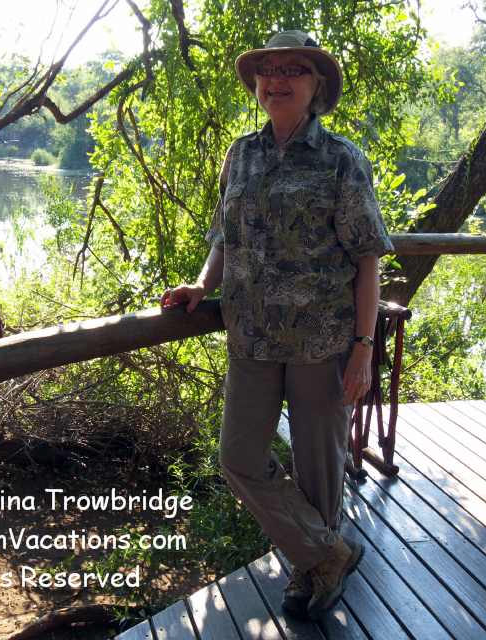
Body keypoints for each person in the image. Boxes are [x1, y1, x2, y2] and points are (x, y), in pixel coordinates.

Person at [160, 30, 393, 620]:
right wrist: (201, 285)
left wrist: (363, 348)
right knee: (238, 457)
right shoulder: (240, 154)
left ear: (317, 86)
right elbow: (224, 237)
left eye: (293, 69)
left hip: (323, 342)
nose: (277, 79)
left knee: (319, 469)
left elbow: (368, 259)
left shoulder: (342, 159)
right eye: (268, 69)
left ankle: (310, 567)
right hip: (250, 337)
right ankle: (328, 551)